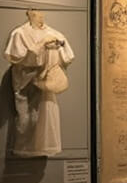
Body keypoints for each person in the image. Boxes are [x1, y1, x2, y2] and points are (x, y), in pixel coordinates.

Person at [4, 9, 74, 156]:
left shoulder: (56, 35)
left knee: (46, 119)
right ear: (28, 14)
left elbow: (67, 57)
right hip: (26, 86)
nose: (39, 15)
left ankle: (43, 147)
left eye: (41, 13)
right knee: (27, 121)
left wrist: (53, 52)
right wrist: (42, 43)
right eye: (34, 12)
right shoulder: (20, 34)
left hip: (46, 88)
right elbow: (20, 60)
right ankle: (25, 149)